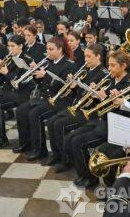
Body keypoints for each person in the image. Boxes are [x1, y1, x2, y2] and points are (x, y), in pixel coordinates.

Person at [65, 50, 130, 187]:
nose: (109, 69)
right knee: (71, 137)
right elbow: (101, 105)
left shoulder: (129, 84)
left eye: (113, 65)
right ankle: (83, 174)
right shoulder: (110, 80)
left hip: (113, 126)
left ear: (123, 66)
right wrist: (95, 94)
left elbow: (126, 113)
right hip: (101, 120)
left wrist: (105, 98)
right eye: (109, 65)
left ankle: (90, 179)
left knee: (78, 142)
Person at [46, 44, 108, 172]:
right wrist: (72, 83)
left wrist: (77, 86)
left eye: (89, 56)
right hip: (77, 107)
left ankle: (66, 160)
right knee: (51, 122)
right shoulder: (87, 70)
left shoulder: (102, 74)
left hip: (89, 112)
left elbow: (89, 96)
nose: (85, 59)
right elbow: (77, 93)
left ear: (98, 57)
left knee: (59, 125)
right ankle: (57, 154)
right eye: (85, 56)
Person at [13, 36, 76, 160]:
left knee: (34, 114)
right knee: (21, 110)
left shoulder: (69, 65)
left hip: (60, 100)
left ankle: (40, 150)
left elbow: (63, 86)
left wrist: (45, 75)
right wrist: (35, 73)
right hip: (45, 97)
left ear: (60, 50)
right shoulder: (49, 62)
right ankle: (26, 144)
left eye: (51, 49)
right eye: (47, 49)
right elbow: (41, 84)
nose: (48, 52)